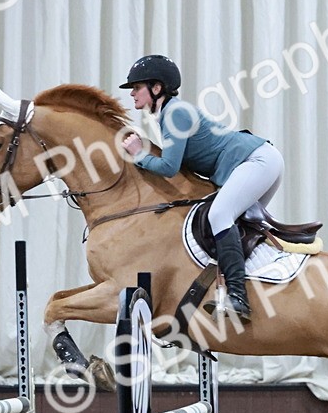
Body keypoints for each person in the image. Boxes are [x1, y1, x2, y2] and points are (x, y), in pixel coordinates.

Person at [119, 54, 283, 323]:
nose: (132, 93)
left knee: (219, 216)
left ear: (156, 88)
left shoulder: (175, 113)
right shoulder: (169, 113)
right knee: (235, 228)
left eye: (137, 87)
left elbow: (169, 167)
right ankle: (253, 289)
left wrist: (139, 154)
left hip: (256, 160)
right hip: (257, 160)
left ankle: (238, 297)